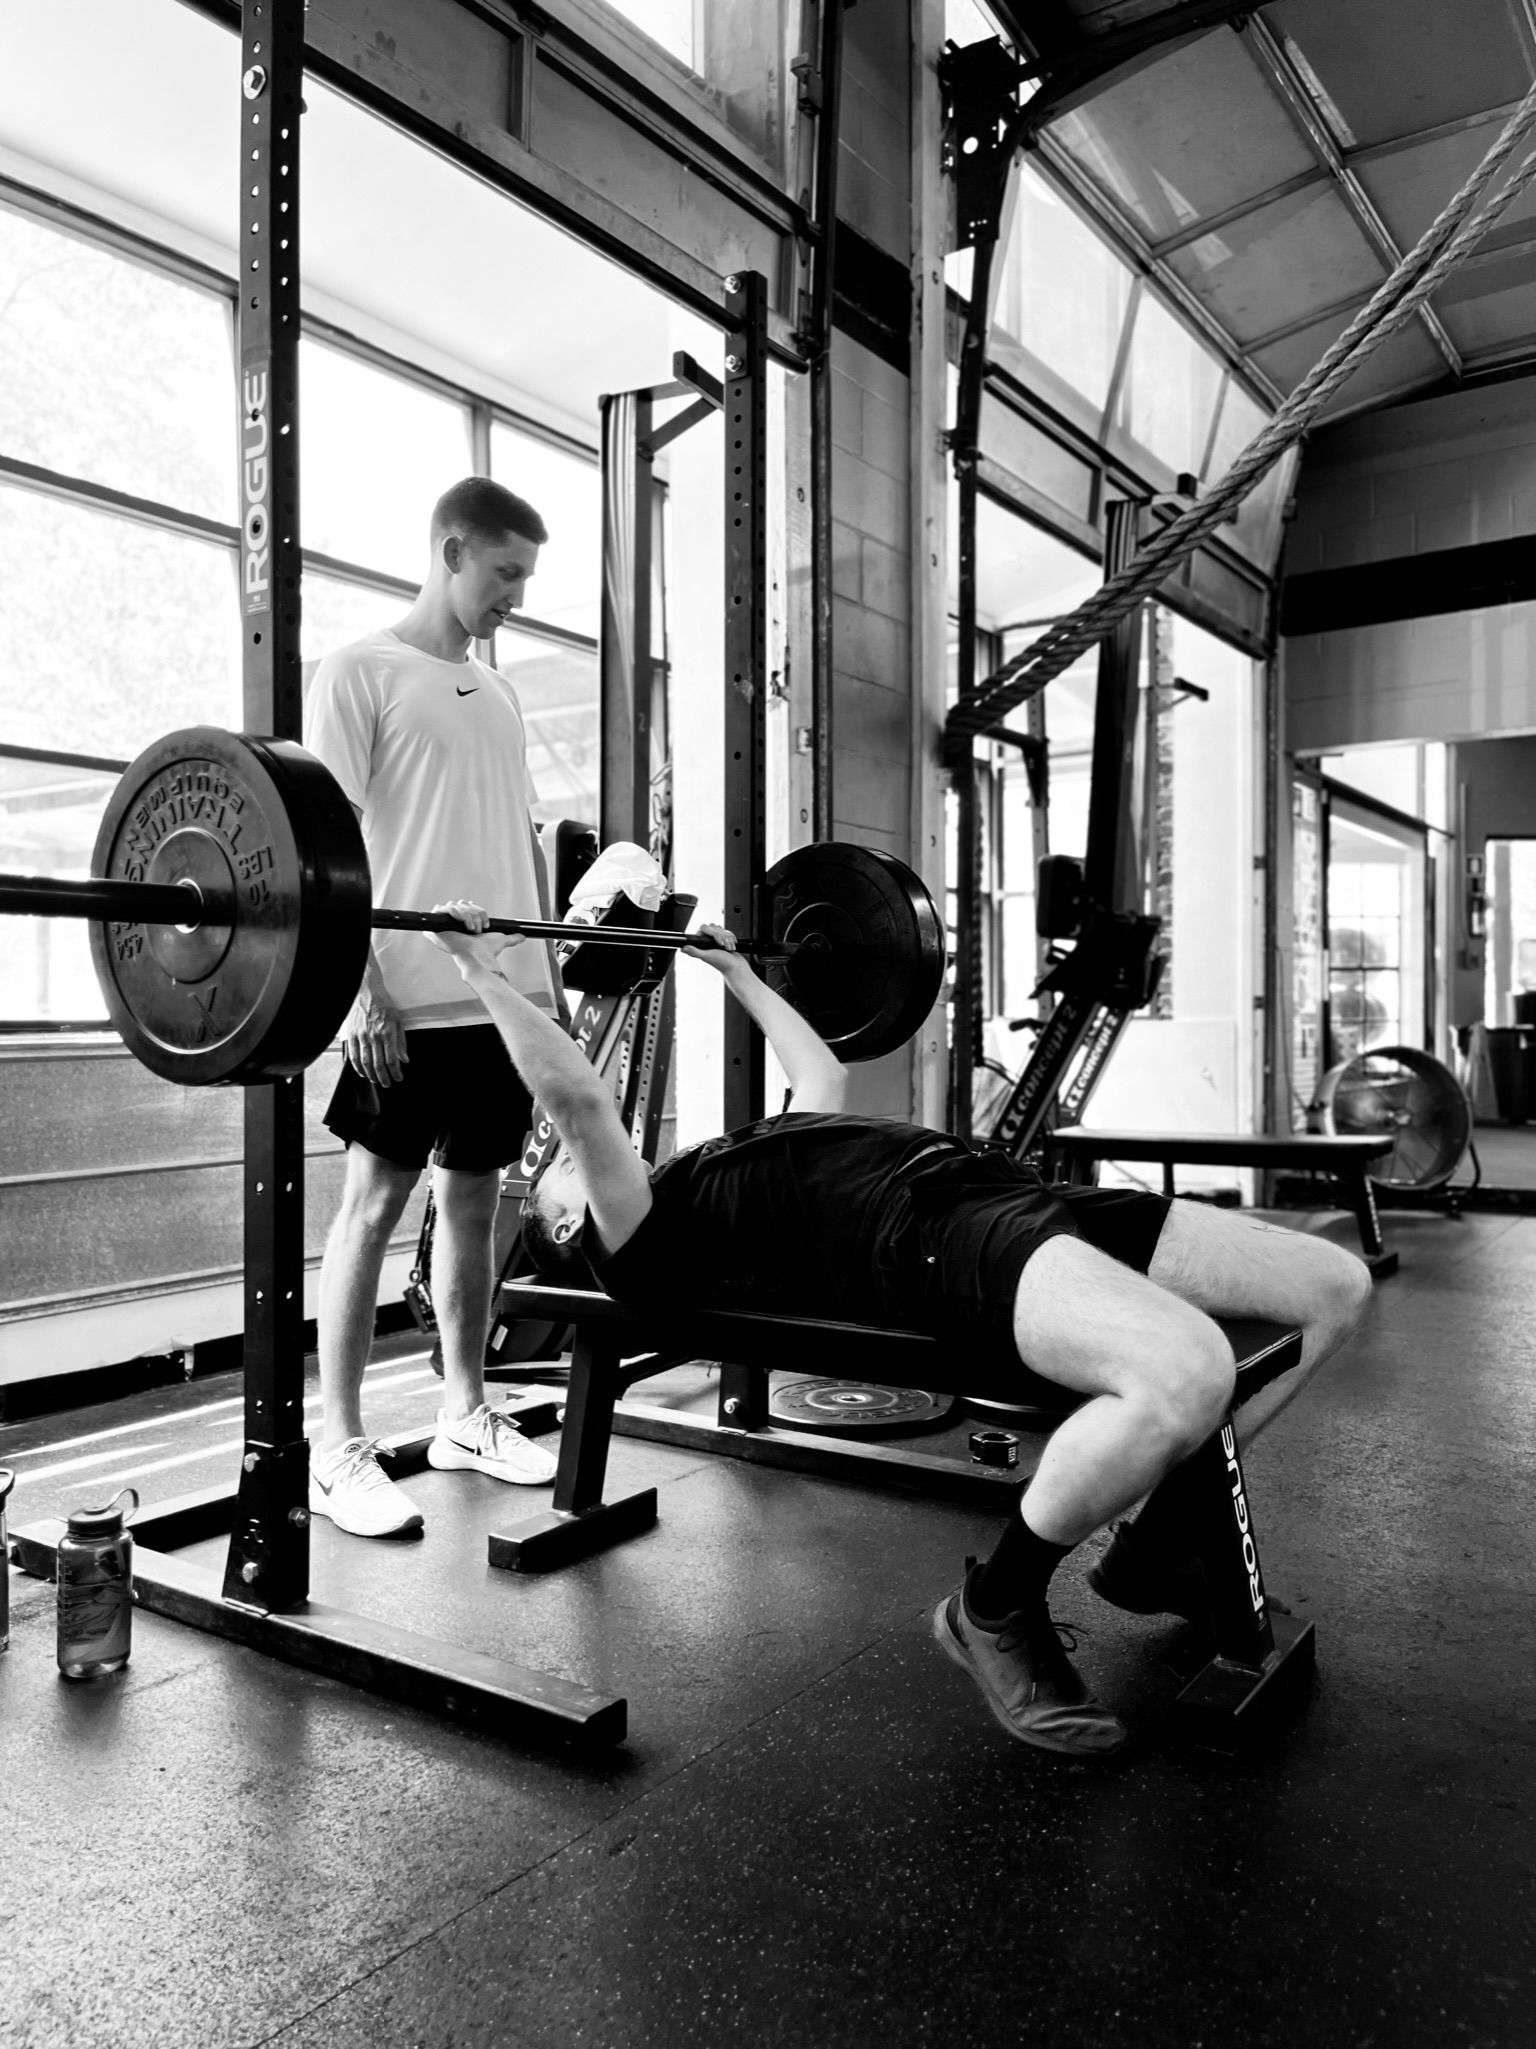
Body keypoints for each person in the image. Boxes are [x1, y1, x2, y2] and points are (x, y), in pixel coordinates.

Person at [426, 901, 1373, 1756]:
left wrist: (734, 971)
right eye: (550, 1176)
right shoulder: (633, 1241)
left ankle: (1163, 1542)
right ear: (563, 1225)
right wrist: (479, 971)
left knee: (1334, 1285)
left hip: (996, 1187)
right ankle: (995, 1605)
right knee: (1188, 1369)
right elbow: (579, 1102)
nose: (549, 1163)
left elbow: (821, 1070)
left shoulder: (720, 1164)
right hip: (927, 1239)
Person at [302, 478, 563, 1538]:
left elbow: (516, 853)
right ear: (452, 550)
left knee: (473, 1202)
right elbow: (325, 849)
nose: (515, 596)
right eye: (504, 574)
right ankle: (338, 1445)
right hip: (400, 1002)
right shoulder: (360, 669)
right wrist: (359, 984)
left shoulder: (495, 693)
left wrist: (540, 1002)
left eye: (524, 579)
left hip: (493, 999)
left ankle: (464, 1412)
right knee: (373, 1206)